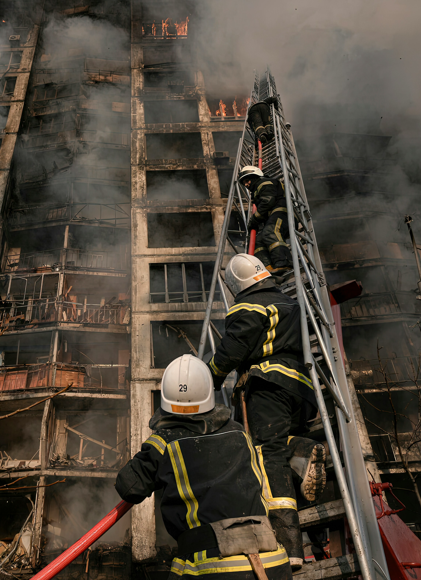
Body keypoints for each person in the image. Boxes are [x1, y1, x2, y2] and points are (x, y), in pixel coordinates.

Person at [115, 355, 292, 579]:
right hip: (273, 563)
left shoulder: (164, 443)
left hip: (215, 568)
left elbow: (128, 487)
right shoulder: (239, 434)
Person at [207, 253, 326, 569]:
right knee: (281, 446)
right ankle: (303, 449)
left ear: (235, 284)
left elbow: (230, 353)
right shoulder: (289, 303)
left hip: (266, 386)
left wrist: (209, 378)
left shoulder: (246, 307)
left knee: (266, 456)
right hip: (301, 390)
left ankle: (290, 547)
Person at [239, 166, 292, 275]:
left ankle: (284, 262)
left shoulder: (265, 183)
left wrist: (254, 219)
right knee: (258, 241)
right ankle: (268, 267)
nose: (246, 185)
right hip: (273, 215)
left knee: (270, 231)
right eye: (244, 182)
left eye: (247, 180)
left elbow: (268, 202)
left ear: (255, 177)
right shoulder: (259, 188)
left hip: (283, 213)